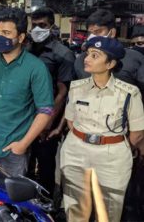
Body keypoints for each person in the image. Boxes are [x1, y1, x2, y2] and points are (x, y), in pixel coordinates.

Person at [0, 8, 54, 206]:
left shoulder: (35, 68)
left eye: (7, 33)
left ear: (21, 37)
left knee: (7, 207)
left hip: (13, 153)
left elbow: (46, 111)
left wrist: (23, 144)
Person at [61, 36, 144, 222]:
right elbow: (71, 121)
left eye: (95, 55)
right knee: (75, 209)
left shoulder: (129, 93)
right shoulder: (76, 88)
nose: (87, 59)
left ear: (110, 63)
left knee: (107, 211)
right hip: (76, 151)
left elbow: (137, 133)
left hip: (112, 157)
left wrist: (115, 147)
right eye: (87, 54)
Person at [27, 7, 75, 197]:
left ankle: (46, 206)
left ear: (51, 26)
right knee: (24, 164)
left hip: (48, 120)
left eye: (42, 25)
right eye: (34, 25)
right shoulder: (27, 48)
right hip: (25, 117)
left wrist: (47, 123)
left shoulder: (62, 54)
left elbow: (63, 93)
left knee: (45, 164)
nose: (37, 29)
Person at [74, 9, 144, 101]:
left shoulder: (134, 59)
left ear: (112, 33)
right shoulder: (81, 60)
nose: (93, 36)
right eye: (90, 33)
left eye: (98, 32)